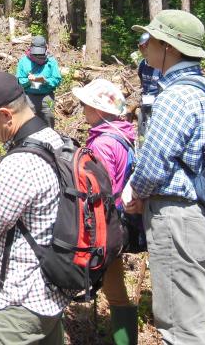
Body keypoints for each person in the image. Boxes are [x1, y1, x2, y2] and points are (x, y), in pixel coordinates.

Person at [122, 10, 205, 345]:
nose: (145, 47)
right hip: (201, 216)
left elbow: (152, 165)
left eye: (151, 40)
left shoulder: (175, 96)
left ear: (170, 48)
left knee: (182, 329)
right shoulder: (204, 89)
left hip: (176, 217)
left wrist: (134, 193)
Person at [0, 70, 71, 344]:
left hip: (19, 300)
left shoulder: (19, 163)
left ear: (6, 115)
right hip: (51, 292)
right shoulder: (54, 140)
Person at [72, 78, 139, 345]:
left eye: (86, 105)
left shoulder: (102, 144)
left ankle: (125, 340)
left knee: (114, 288)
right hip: (122, 219)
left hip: (107, 223)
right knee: (116, 286)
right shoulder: (124, 136)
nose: (83, 110)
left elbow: (101, 187)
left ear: (99, 110)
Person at [16, 36, 61, 128]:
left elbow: (57, 80)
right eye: (35, 53)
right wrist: (29, 81)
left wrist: (45, 81)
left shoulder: (51, 62)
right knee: (29, 121)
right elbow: (19, 81)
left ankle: (49, 138)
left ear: (46, 48)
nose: (37, 56)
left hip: (47, 96)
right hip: (29, 96)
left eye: (40, 53)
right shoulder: (23, 61)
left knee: (48, 117)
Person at [135, 32, 161, 140]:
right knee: (141, 130)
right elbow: (142, 81)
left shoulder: (160, 66)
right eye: (141, 47)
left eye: (146, 46)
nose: (144, 50)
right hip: (145, 102)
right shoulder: (142, 64)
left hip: (158, 105)